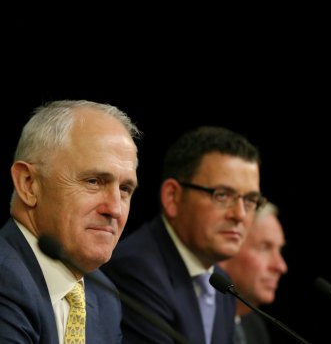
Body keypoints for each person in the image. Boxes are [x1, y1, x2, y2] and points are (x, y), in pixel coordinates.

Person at [0, 100, 141, 343]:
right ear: (29, 184)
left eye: (125, 189)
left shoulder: (102, 294)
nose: (114, 208)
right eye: (93, 181)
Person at [102, 126, 265, 344]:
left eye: (250, 200)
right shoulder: (136, 269)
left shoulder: (222, 285)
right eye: (223, 195)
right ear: (173, 197)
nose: (240, 215)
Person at [219, 202, 288, 344]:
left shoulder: (255, 327)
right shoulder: (194, 318)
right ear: (227, 249)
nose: (281, 266)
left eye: (279, 250)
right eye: (265, 247)